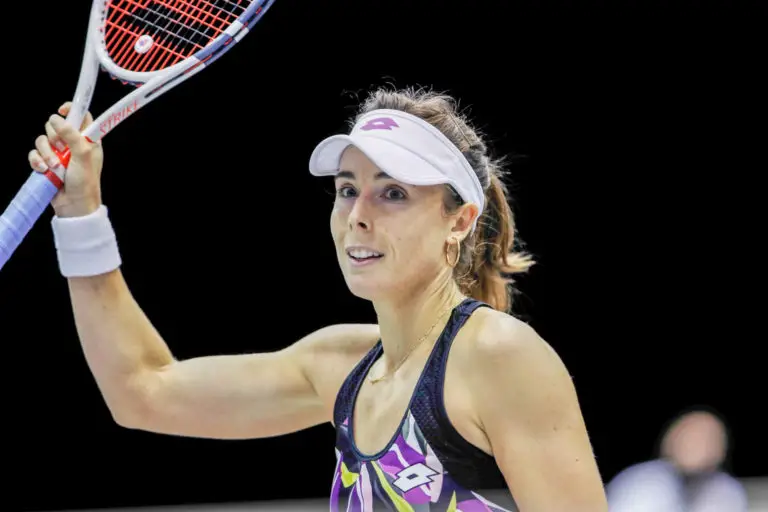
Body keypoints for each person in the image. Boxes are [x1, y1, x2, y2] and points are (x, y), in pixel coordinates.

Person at [29, 86, 608, 511]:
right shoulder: (340, 366)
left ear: (458, 221)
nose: (358, 216)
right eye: (347, 189)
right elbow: (143, 392)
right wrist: (81, 213)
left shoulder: (499, 357)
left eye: (393, 194)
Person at [606, 406, 748, 511]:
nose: (698, 447)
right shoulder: (641, 481)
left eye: (707, 439)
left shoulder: (728, 490)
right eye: (690, 439)